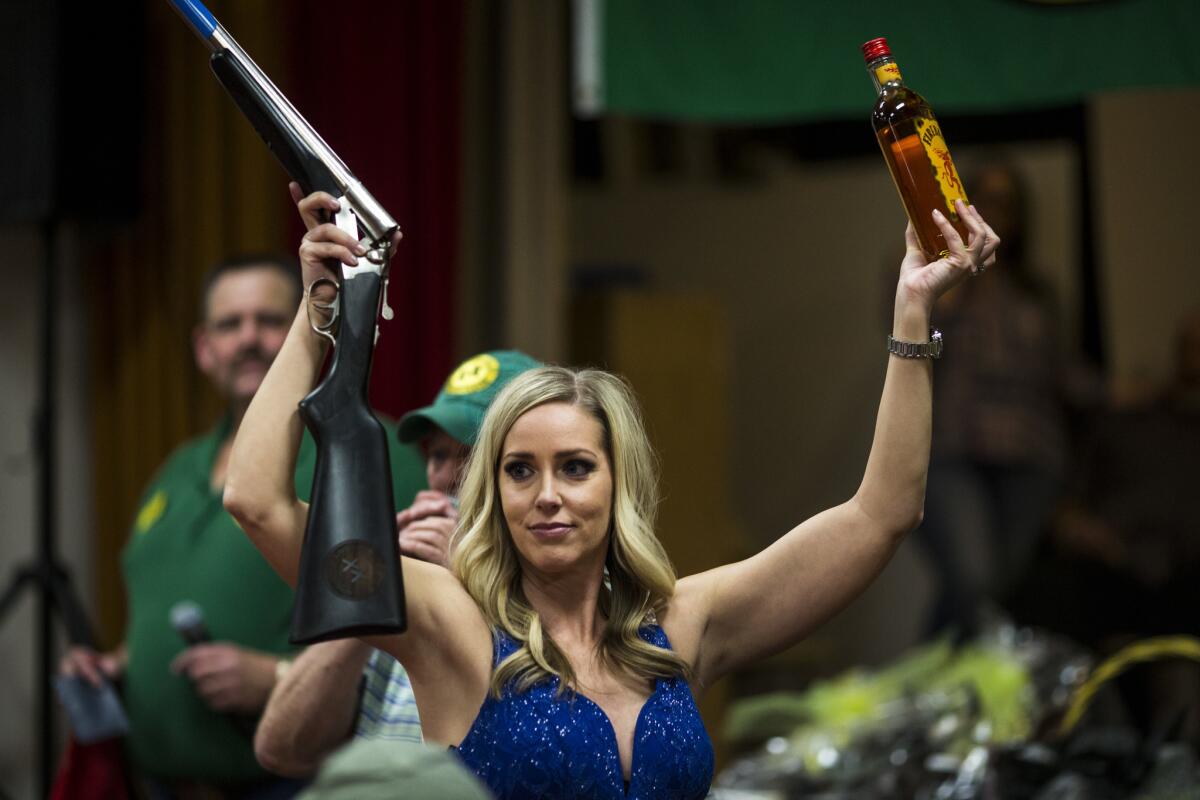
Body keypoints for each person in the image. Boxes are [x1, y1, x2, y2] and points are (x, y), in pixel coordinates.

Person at [223, 186, 998, 798]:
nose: (547, 495)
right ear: (492, 493)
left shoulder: (684, 626)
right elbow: (256, 501)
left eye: (575, 467)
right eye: (519, 471)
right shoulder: (448, 626)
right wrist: (314, 317)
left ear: (617, 482)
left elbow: (882, 514)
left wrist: (911, 312)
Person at [59, 255, 427, 798]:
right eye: (230, 325)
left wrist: (280, 676)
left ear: (314, 324)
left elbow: (419, 608)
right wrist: (118, 665)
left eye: (269, 320)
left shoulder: (365, 448)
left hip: (294, 779)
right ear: (204, 349)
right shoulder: (176, 468)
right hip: (157, 783)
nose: (249, 338)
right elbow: (159, 600)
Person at [254, 350, 541, 777]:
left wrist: (475, 581)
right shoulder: (405, 576)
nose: (445, 478)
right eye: (438, 455)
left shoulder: (580, 585)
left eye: (472, 456)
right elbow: (282, 748)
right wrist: (372, 586)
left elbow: (561, 744)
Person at [916, 159, 1097, 637]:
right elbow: (911, 342)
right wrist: (948, 286)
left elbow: (1068, 376)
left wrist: (1132, 391)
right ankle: (921, 691)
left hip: (1031, 459)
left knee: (993, 593)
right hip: (956, 450)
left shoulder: (1037, 292)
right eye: (987, 199)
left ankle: (943, 700)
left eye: (1007, 204)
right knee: (973, 578)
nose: (997, 212)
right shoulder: (941, 275)